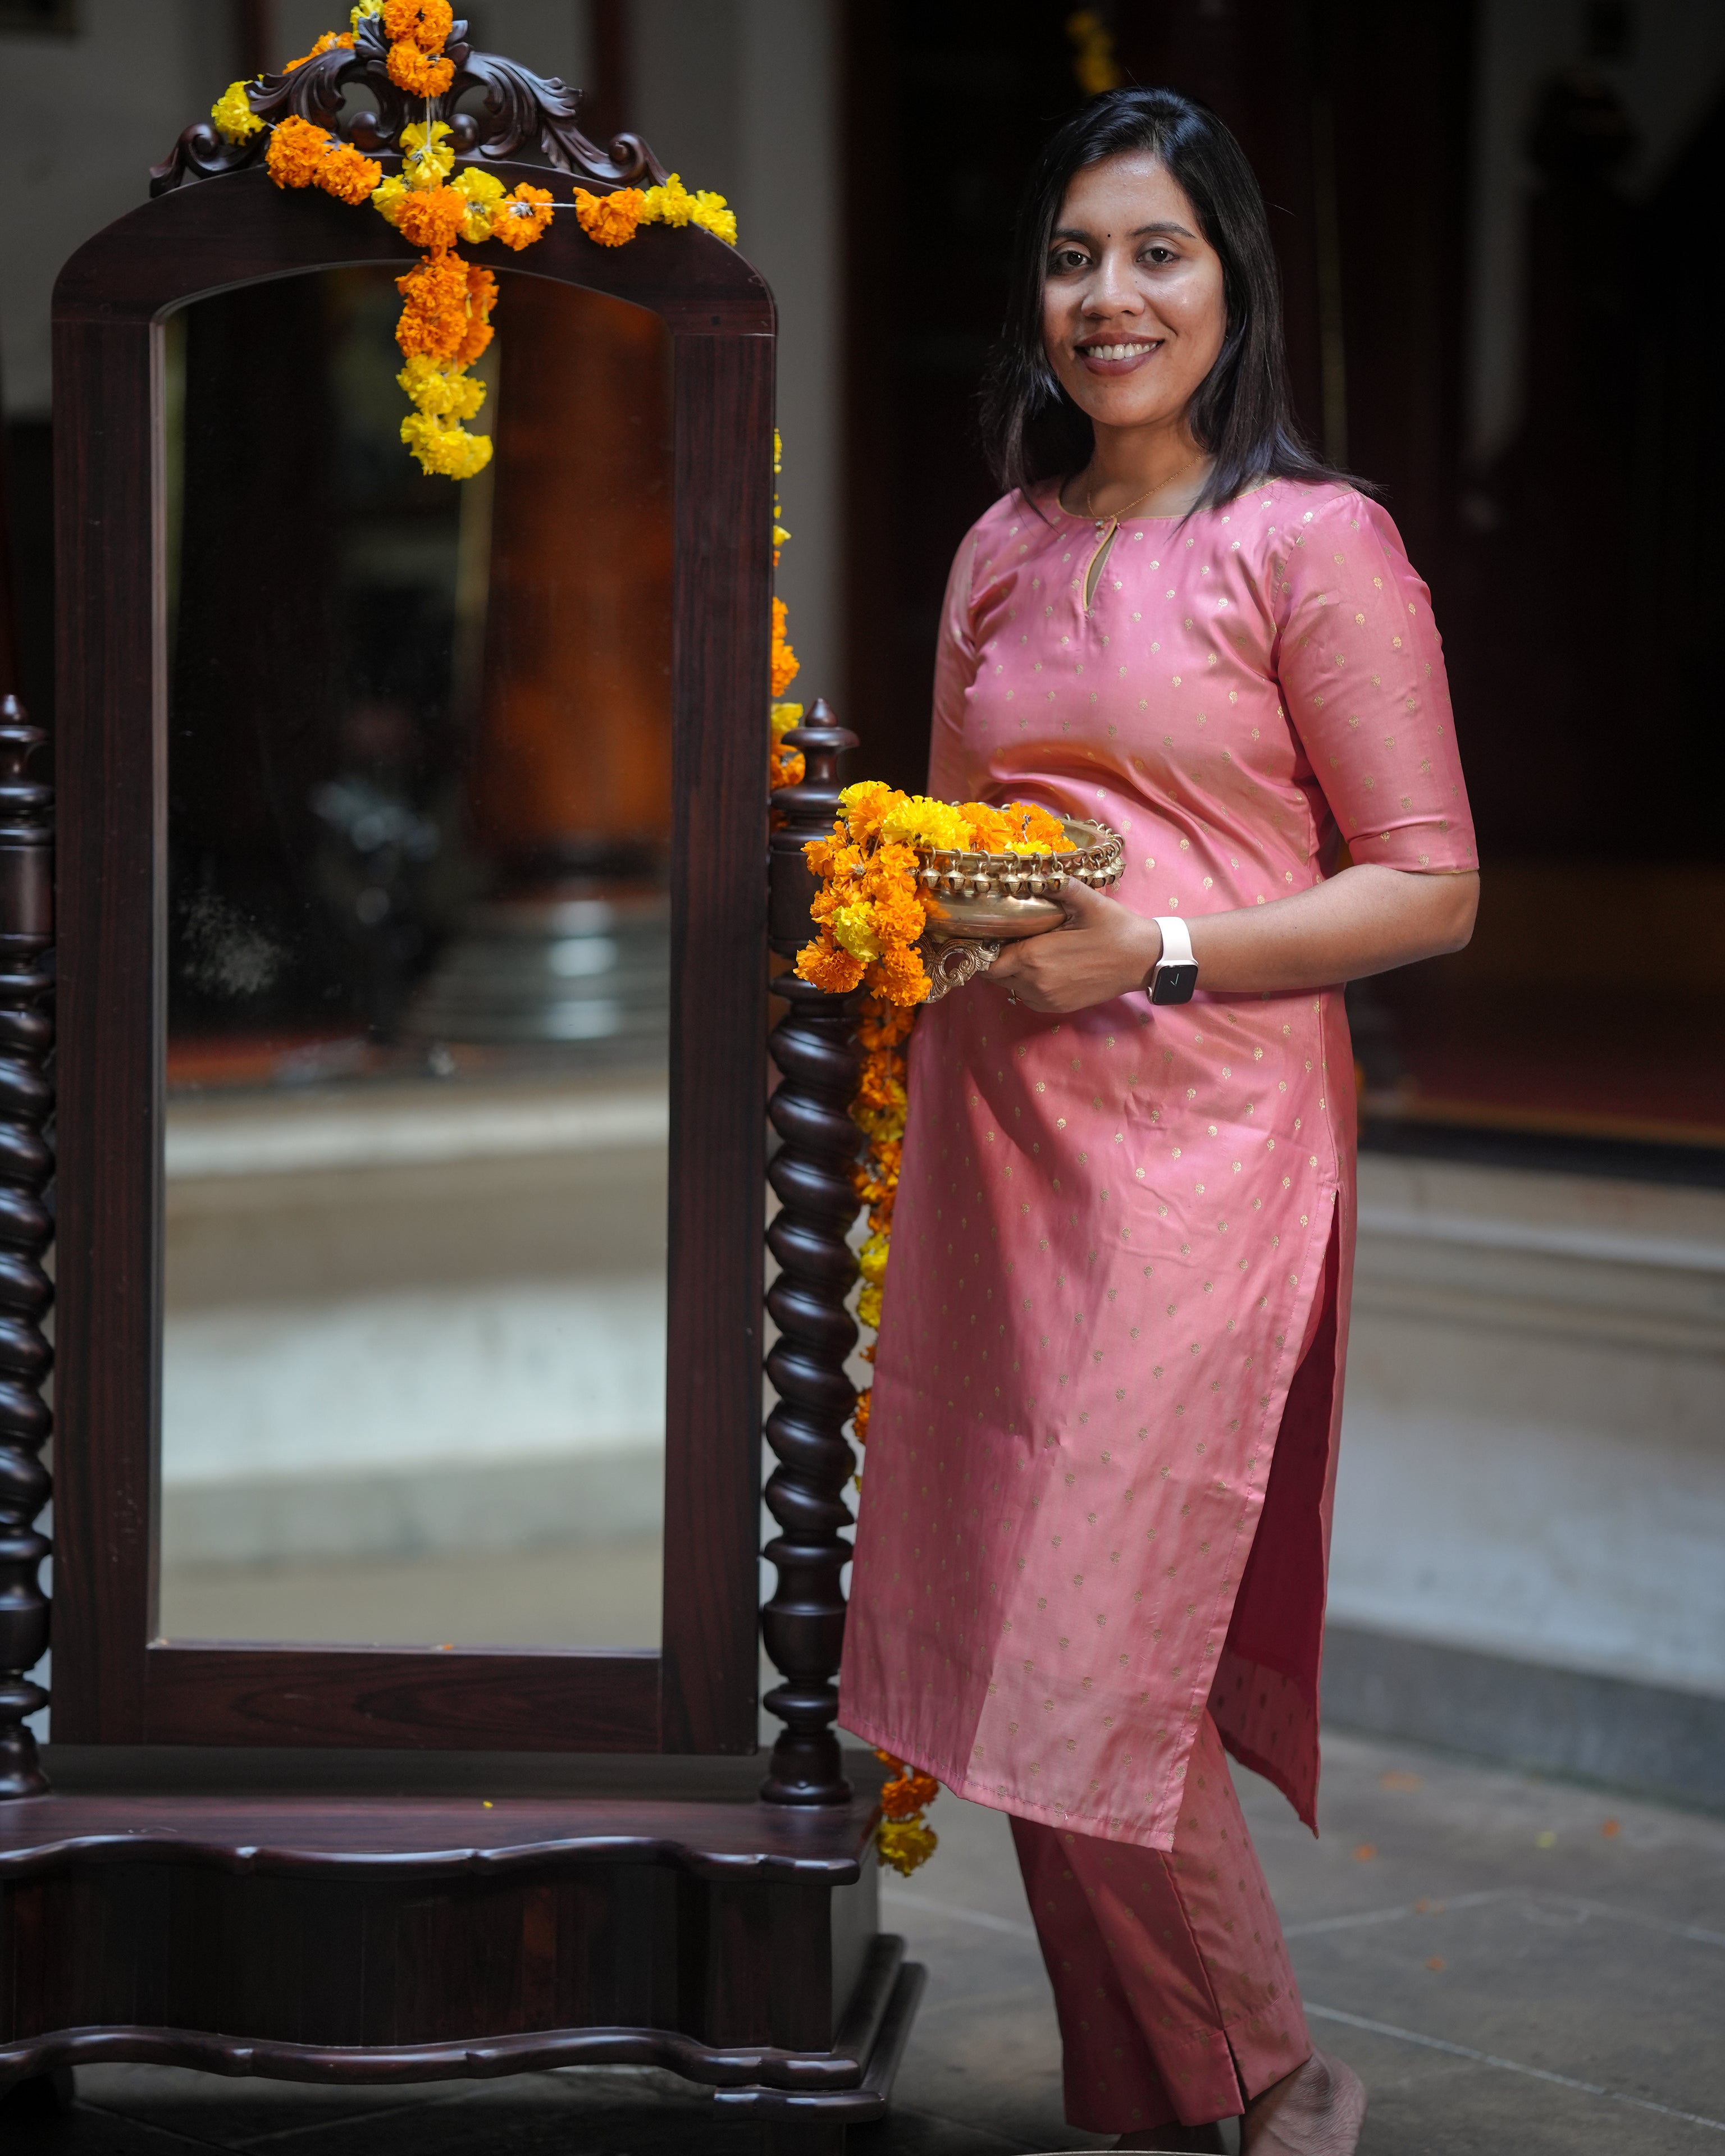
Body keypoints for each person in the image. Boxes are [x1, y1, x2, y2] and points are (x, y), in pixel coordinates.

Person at [839, 85, 1478, 2155]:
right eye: (1073, 257)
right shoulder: (1001, 550)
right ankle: (1149, 2090)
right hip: (1004, 1130)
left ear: (1232, 284)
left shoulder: (1314, 544)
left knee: (1092, 1642)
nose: (1110, 298)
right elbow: (957, 838)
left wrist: (1162, 951)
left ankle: (1282, 2079)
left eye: (1156, 252)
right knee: (1003, 1636)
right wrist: (905, 905)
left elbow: (1432, 883)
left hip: (1210, 1134)